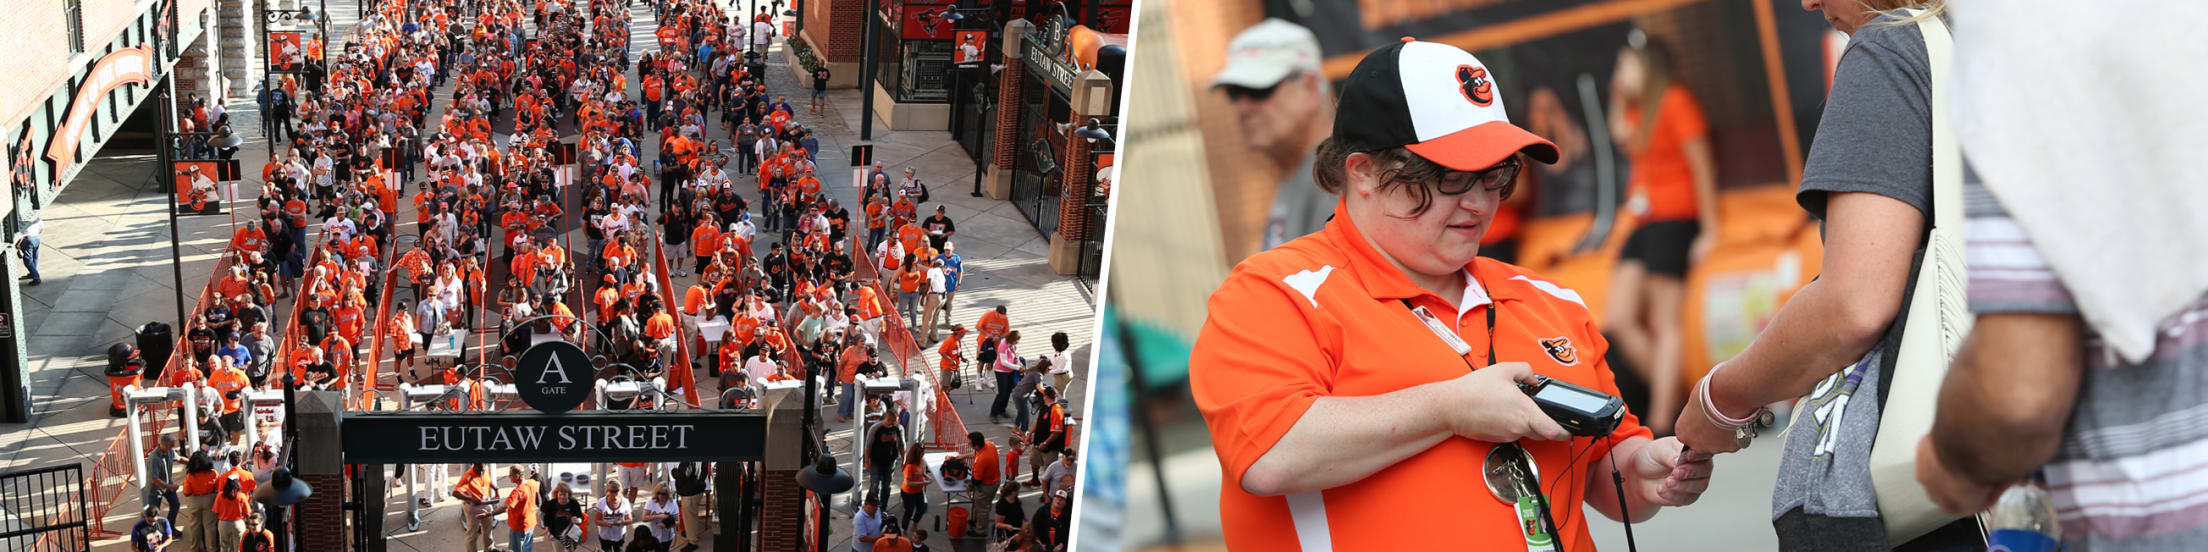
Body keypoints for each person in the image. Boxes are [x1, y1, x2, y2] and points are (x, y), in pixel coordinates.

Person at [1188, 39, 1712, 549]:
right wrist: (1450, 408)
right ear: (1365, 171)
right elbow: (1269, 452)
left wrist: (1645, 472)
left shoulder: (1547, 299)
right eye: (1450, 177)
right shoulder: (1273, 292)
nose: (1481, 202)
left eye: (1495, 175)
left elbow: (1607, 476)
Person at [1669, 2, 1988, 549]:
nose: (1808, 3)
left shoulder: (1892, 48)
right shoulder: (2023, 33)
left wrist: (1719, 400)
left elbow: (1852, 305)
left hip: (1965, 464)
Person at [1600, 32, 1717, 435]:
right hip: (1642, 222)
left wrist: (1709, 230)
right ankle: (1688, 403)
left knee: (1666, 322)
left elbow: (1702, 166)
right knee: (1618, 319)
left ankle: (1664, 418)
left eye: (1624, 66)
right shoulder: (1637, 111)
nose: (1619, 75)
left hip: (1674, 218)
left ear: (1645, 66)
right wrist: (1617, 93)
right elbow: (1618, 134)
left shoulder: (1676, 102)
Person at [1210, 20, 1334, 250]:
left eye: (1259, 90)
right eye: (1234, 93)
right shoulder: (1302, 172)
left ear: (1310, 88)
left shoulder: (1340, 178)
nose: (1242, 108)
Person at [454, 463, 501, 552]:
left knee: (488, 529)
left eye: (483, 471)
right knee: (472, 534)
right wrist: (471, 499)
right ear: (475, 467)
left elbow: (488, 480)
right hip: (473, 508)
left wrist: (495, 489)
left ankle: (489, 549)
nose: (481, 473)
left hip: (486, 503)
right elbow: (455, 493)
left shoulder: (484, 469)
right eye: (479, 471)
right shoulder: (468, 476)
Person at [866, 404, 905, 505]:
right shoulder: (875, 428)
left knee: (886, 486)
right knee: (874, 485)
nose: (894, 423)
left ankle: (883, 506)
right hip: (876, 462)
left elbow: (902, 445)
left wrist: (904, 459)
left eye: (895, 421)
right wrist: (867, 462)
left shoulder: (898, 428)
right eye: (892, 421)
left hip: (890, 462)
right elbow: (868, 446)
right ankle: (870, 505)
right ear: (887, 419)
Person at [499, 466, 541, 552]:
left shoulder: (517, 492)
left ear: (517, 476)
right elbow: (537, 481)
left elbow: (504, 507)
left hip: (519, 527)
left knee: (516, 549)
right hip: (530, 523)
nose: (509, 477)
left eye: (510, 475)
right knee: (527, 547)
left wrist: (489, 514)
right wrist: (536, 472)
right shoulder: (532, 483)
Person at [143, 434, 181, 521]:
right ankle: (157, 530)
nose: (173, 447)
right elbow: (154, 479)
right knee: (154, 513)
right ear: (165, 445)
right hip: (155, 490)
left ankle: (170, 527)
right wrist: (170, 487)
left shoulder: (170, 451)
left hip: (167, 485)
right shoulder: (154, 458)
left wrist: (194, 462)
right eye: (171, 445)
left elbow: (179, 459)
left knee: (175, 505)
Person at [988, 330, 1021, 423]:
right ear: (1012, 339)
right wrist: (1017, 367)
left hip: (1010, 371)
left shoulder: (1012, 345)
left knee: (1007, 391)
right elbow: (1004, 362)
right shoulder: (1003, 345)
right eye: (1017, 340)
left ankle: (1002, 409)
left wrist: (1018, 362)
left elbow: (1014, 356)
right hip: (1001, 371)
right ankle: (993, 413)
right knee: (1002, 393)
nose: (1018, 342)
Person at [541, 483, 587, 551]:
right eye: (560, 494)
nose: (562, 497)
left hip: (570, 535)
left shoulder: (574, 503)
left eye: (564, 494)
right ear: (557, 494)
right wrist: (548, 530)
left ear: (568, 494)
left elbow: (581, 517)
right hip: (555, 534)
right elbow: (547, 518)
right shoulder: (552, 504)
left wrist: (578, 520)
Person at [898, 443, 932, 530]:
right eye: (921, 453)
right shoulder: (909, 467)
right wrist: (923, 483)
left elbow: (921, 471)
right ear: (915, 454)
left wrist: (926, 476)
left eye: (923, 453)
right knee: (909, 512)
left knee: (921, 509)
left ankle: (914, 523)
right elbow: (908, 483)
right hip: (908, 493)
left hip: (918, 491)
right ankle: (904, 530)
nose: (923, 455)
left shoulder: (920, 461)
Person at [211, 477, 250, 552]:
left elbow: (216, 511)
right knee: (238, 548)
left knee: (224, 546)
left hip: (223, 523)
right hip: (238, 523)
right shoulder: (241, 496)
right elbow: (247, 513)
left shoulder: (220, 495)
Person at [638, 484, 680, 552]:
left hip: (667, 537)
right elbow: (644, 518)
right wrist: (659, 516)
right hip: (652, 535)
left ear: (667, 494)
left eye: (663, 494)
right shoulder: (651, 501)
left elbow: (677, 522)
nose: (660, 496)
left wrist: (666, 525)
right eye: (658, 493)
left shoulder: (673, 503)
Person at [595, 480, 633, 552]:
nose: (614, 494)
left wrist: (622, 522)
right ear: (607, 491)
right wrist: (606, 524)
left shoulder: (625, 502)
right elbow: (597, 521)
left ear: (620, 490)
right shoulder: (601, 502)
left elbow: (630, 520)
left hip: (619, 536)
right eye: (612, 491)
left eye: (617, 491)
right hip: (605, 536)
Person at [17, 216, 43, 286]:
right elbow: (41, 229)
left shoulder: (22, 221)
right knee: (35, 257)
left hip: (28, 240)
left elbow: (21, 236)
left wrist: (18, 245)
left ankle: (36, 277)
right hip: (37, 238)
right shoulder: (36, 218)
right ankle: (33, 273)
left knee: (27, 260)